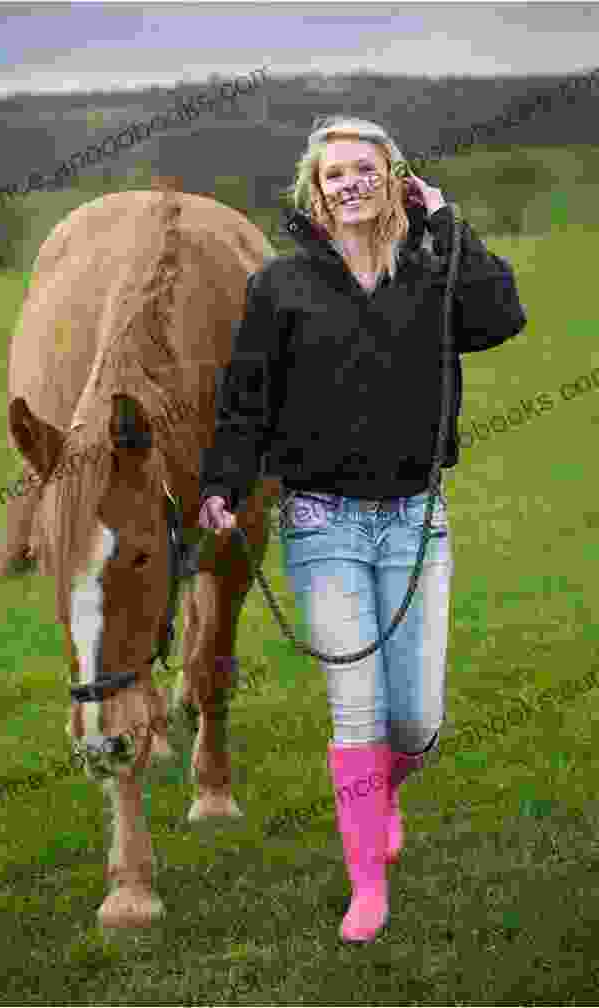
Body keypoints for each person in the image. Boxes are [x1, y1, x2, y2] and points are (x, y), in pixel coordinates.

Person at [197, 115, 527, 943]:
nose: (350, 182)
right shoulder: (280, 286)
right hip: (322, 524)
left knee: (413, 723)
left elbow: (501, 318)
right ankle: (367, 882)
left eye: (365, 169)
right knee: (356, 713)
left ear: (394, 179)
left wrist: (447, 221)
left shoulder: (432, 268)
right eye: (334, 172)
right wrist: (225, 485)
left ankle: (388, 787)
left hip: (418, 520)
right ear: (316, 188)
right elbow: (245, 400)